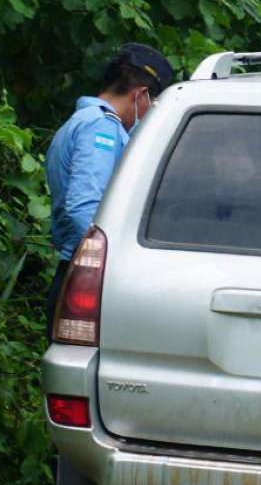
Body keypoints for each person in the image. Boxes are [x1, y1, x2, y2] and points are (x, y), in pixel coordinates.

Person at [45, 44, 174, 328]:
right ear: (140, 94)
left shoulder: (83, 121)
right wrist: (114, 268)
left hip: (79, 268)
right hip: (88, 274)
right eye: (151, 105)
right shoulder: (100, 127)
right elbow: (84, 208)